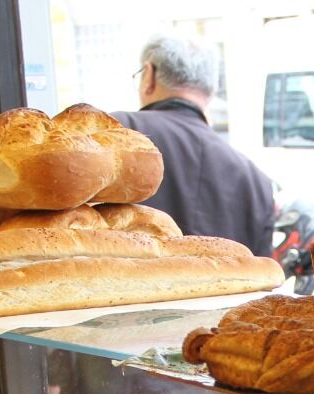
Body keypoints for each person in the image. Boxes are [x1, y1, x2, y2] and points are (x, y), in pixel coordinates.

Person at [111, 36, 276, 255]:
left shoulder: (118, 134)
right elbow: (261, 280)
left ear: (148, 75)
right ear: (210, 90)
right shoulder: (256, 181)